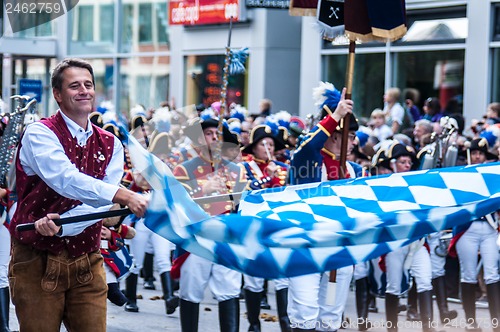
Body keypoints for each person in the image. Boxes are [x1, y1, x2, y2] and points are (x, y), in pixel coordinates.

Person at [8, 58, 148, 332]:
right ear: (58, 95)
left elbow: (101, 205)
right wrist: (124, 195)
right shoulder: (39, 133)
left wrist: (61, 226)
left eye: (88, 84)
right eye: (74, 85)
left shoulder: (111, 144)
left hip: (88, 258)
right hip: (37, 259)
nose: (84, 90)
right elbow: (65, 179)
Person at [288, 85, 358, 332]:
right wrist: (336, 115)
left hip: (337, 252)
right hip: (304, 246)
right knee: (305, 312)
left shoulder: (353, 170)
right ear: (334, 135)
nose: (354, 141)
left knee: (329, 317)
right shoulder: (308, 159)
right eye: (349, 135)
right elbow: (308, 146)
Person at [172, 116, 248, 332]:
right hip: (197, 237)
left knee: (230, 289)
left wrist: (234, 194)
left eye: (217, 134)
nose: (214, 138)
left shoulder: (236, 170)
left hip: (226, 236)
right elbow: (176, 205)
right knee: (191, 290)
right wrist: (202, 190)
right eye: (208, 134)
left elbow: (243, 205)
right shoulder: (184, 170)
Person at [240, 124, 290, 332]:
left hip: (278, 227)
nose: (267, 147)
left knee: (282, 275)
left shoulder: (284, 168)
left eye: (271, 144)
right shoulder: (244, 167)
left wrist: (275, 176)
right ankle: (254, 323)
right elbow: (249, 192)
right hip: (253, 227)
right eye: (263, 144)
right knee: (254, 278)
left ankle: (286, 321)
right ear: (254, 148)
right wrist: (268, 177)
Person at [450, 137, 500, 332]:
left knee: (492, 273)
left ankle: (496, 322)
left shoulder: (493, 175)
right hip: (467, 228)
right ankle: (471, 322)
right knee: (469, 274)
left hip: (489, 228)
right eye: (474, 153)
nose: (477, 156)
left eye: (480, 153)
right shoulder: (461, 175)